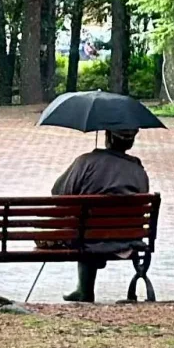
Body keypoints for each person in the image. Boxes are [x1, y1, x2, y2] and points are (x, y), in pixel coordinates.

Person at [51, 129, 150, 302]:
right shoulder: (137, 169)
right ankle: (83, 289)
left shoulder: (85, 162)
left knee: (84, 227)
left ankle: (85, 290)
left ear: (108, 137)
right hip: (126, 239)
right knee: (90, 228)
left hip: (86, 238)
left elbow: (58, 193)